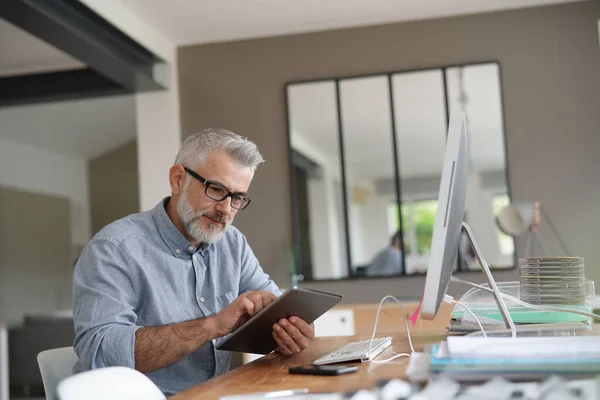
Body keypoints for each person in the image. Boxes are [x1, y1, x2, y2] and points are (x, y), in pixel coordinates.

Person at [72, 129, 315, 395]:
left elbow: (275, 305)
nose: (226, 209)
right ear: (177, 180)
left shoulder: (232, 243)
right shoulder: (115, 248)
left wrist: (291, 330)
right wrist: (212, 325)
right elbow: (99, 353)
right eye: (216, 189)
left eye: (236, 198)